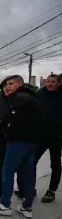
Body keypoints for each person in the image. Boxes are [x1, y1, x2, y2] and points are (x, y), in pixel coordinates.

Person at [0, 75, 43, 218]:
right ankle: (27, 207)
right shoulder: (34, 97)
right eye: (6, 84)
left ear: (20, 84)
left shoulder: (19, 98)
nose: (7, 87)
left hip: (18, 142)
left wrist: (7, 136)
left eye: (11, 84)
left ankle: (5, 206)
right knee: (28, 174)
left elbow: (12, 121)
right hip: (32, 143)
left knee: (7, 172)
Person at [32, 74, 62, 203]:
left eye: (53, 82)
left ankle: (51, 191)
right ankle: (29, 187)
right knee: (31, 161)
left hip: (56, 136)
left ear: (59, 83)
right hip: (40, 136)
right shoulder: (39, 94)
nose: (50, 84)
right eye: (48, 81)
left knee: (55, 164)